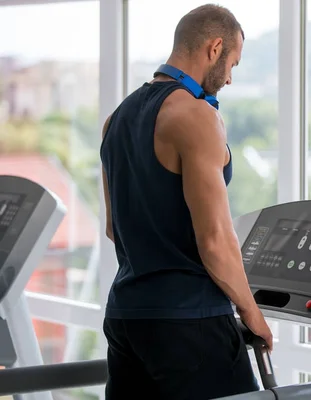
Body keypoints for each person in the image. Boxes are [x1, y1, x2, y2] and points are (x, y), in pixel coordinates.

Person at [99, 4, 273, 400]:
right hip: (189, 322)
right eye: (232, 63)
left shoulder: (116, 119)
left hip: (127, 317)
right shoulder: (195, 116)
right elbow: (214, 239)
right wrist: (252, 313)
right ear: (214, 48)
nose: (229, 78)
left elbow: (114, 228)